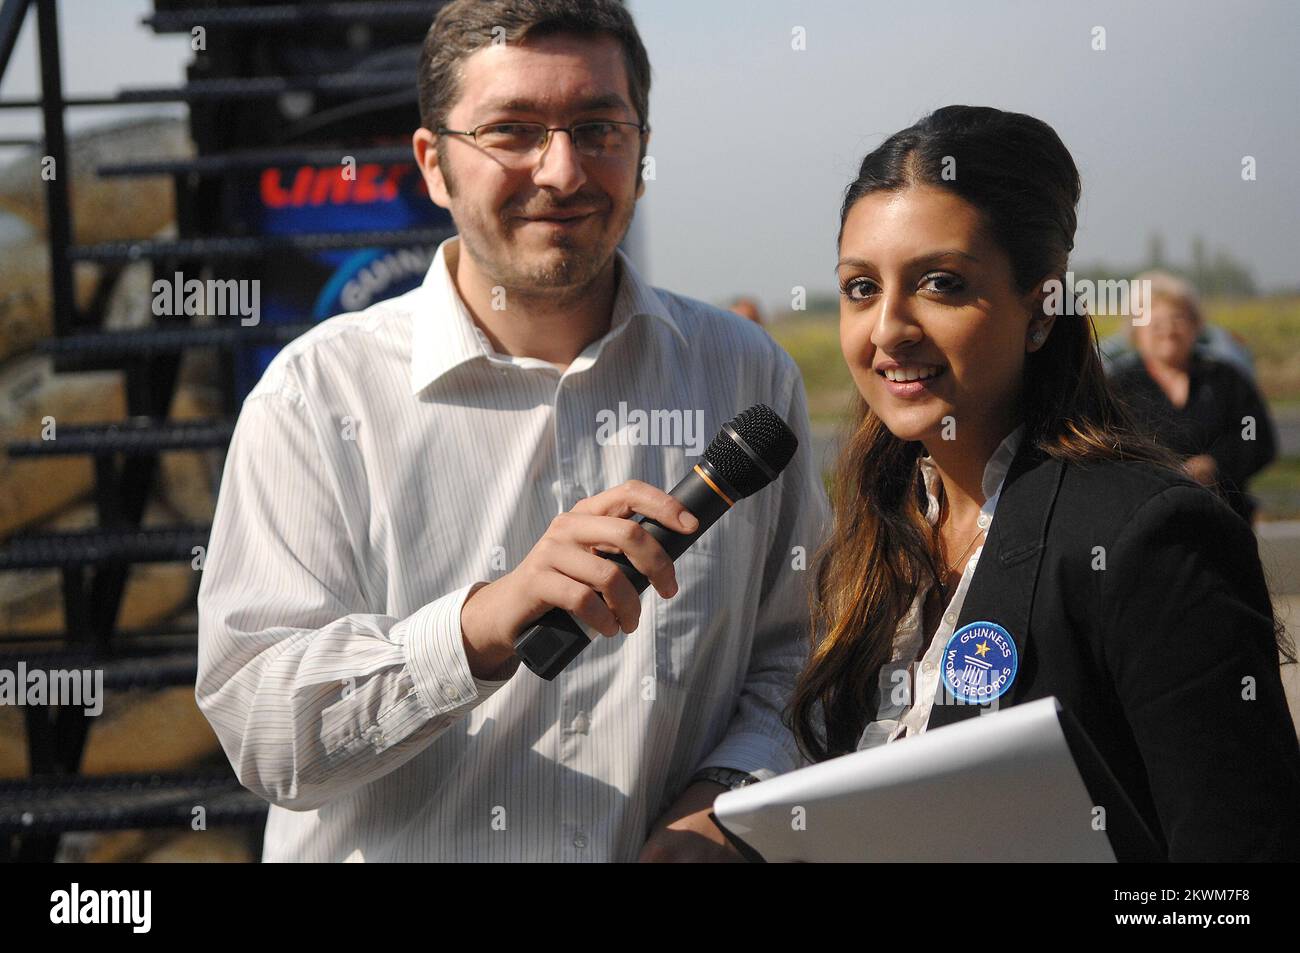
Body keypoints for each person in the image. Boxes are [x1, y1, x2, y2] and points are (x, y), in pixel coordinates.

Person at [196, 0, 827, 862]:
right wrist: (479, 626)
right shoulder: (314, 400)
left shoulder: (747, 376)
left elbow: (802, 658)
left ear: (642, 150)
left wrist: (726, 796)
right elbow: (264, 730)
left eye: (598, 126)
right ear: (433, 162)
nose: (563, 170)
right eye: (512, 130)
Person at [788, 105, 1300, 861]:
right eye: (861, 288)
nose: (888, 327)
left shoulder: (1148, 534)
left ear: (1040, 308)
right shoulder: (876, 529)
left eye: (939, 282)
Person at [1109, 271, 1277, 522]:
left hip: (1224, 519)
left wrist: (1215, 466)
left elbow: (1256, 437)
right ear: (1135, 329)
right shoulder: (1118, 387)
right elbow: (1103, 448)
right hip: (1143, 523)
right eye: (1155, 322)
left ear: (1195, 324)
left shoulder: (1224, 379)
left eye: (1177, 318)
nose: (1168, 330)